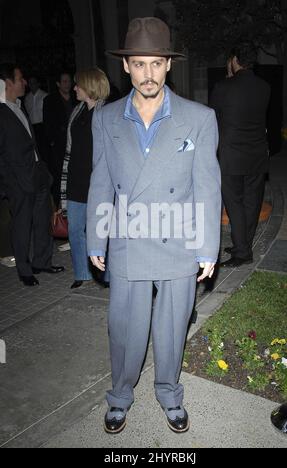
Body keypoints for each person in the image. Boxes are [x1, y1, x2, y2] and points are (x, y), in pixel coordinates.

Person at [87, 17, 221, 434]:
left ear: (168, 65)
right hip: (128, 239)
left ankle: (169, 393)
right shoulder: (106, 119)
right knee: (124, 327)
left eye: (156, 64)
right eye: (140, 64)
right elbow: (100, 181)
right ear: (126, 67)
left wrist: (207, 248)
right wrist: (96, 236)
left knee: (171, 329)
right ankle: (120, 396)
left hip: (177, 239)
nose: (148, 74)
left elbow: (207, 187)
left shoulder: (199, 118)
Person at [0, 64, 64, 286]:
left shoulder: (19, 106)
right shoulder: (1, 111)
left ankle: (42, 262)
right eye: (20, 79)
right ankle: (24, 270)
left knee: (42, 220)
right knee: (22, 225)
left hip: (37, 174)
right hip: (18, 181)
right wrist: (8, 183)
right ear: (7, 83)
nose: (25, 82)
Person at [210, 45, 271, 267]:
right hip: (256, 155)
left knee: (234, 203)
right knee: (252, 203)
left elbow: (215, 120)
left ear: (234, 60)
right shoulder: (264, 87)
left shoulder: (223, 87)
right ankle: (242, 244)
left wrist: (228, 79)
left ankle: (243, 252)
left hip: (231, 156)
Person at [60, 68, 110, 290]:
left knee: (99, 231)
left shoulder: (106, 113)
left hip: (97, 183)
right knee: (75, 229)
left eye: (78, 84)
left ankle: (106, 273)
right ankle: (82, 273)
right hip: (75, 181)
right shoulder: (77, 112)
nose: (74, 88)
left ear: (89, 86)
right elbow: (70, 151)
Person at [43, 72, 77, 209]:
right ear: (58, 84)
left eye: (69, 81)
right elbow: (48, 124)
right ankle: (60, 208)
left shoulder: (76, 97)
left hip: (75, 144)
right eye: (64, 81)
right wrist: (52, 141)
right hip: (59, 145)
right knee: (60, 178)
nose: (67, 84)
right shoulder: (50, 100)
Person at [24, 76, 48, 162]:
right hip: (32, 127)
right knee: (36, 150)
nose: (32, 85)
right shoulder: (27, 98)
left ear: (38, 84)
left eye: (34, 82)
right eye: (30, 83)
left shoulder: (45, 96)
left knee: (45, 150)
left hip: (43, 126)